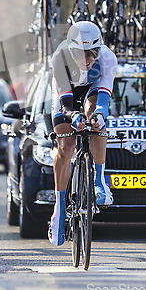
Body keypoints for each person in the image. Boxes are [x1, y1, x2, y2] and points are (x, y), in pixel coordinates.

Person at [48, 21, 117, 246]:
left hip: (91, 91)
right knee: (66, 147)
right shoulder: (60, 58)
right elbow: (65, 104)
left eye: (92, 54)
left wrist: (98, 115)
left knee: (96, 118)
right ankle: (59, 206)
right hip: (66, 94)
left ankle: (98, 180)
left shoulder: (107, 58)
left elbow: (103, 100)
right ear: (71, 50)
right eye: (81, 54)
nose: (87, 59)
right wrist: (73, 117)